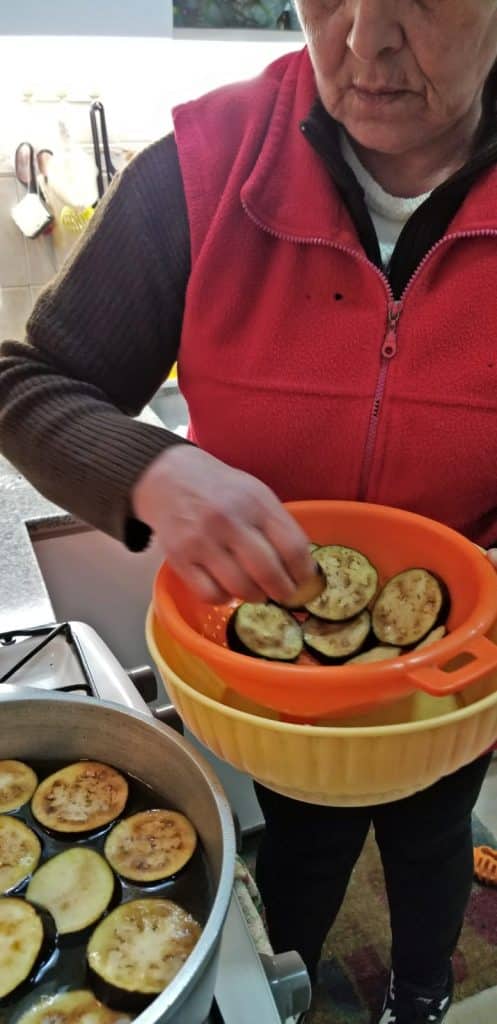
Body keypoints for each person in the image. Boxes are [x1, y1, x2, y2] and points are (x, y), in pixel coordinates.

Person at [1, 2, 497, 1021]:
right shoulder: (204, 166)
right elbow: (28, 383)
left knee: (431, 832)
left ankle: (418, 993)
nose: (362, 45)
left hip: (460, 662)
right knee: (302, 840)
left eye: (427, 0)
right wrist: (148, 468)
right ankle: (290, 987)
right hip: (269, 677)